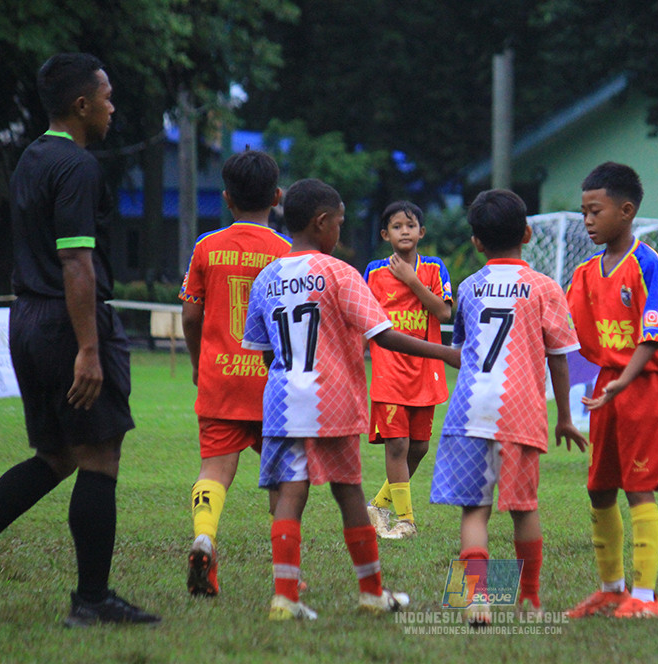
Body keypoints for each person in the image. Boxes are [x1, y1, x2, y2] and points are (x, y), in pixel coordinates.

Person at [0, 53, 159, 626]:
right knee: (100, 454)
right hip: (68, 321)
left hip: (27, 318)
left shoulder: (31, 158)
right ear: (82, 105)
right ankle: (92, 600)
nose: (112, 107)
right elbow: (76, 261)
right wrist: (89, 348)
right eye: (106, 98)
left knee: (56, 456)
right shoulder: (77, 167)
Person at [242, 178, 460, 620]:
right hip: (332, 400)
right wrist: (446, 353)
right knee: (349, 494)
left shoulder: (266, 277)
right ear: (322, 222)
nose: (340, 231)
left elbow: (263, 350)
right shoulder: (340, 273)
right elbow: (385, 334)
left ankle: (284, 597)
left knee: (291, 494)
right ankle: (372, 593)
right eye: (339, 223)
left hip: (282, 401)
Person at [430, 189, 588, 625]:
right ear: (528, 234)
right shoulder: (545, 288)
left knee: (474, 510)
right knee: (523, 508)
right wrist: (565, 418)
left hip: (469, 408)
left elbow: (463, 349)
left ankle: (477, 599)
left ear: (476, 242)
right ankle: (530, 600)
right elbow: (559, 358)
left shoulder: (468, 287)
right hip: (519, 410)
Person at [564, 162, 658, 620]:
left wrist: (625, 380)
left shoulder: (648, 263)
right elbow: (563, 327)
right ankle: (611, 589)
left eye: (595, 211)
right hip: (609, 387)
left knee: (639, 488)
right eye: (584, 212)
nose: (588, 220)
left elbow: (652, 336)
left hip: (645, 386)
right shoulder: (586, 273)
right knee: (599, 488)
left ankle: (646, 597)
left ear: (626, 210)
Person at [179, 149, 292, 596]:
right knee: (283, 478)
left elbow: (191, 316)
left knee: (213, 470)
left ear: (226, 198)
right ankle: (286, 575)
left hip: (220, 378)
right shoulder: (287, 253)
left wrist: (197, 364)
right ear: (277, 197)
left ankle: (205, 536)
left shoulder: (206, 247)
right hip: (273, 382)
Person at [363, 201, 453, 539]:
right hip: (388, 373)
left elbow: (443, 313)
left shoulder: (434, 268)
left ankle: (377, 505)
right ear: (385, 234)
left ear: (422, 232)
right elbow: (362, 318)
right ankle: (406, 521)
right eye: (397, 226)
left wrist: (412, 281)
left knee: (419, 448)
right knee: (397, 446)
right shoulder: (373, 272)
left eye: (410, 225)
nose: (404, 231)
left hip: (424, 373)